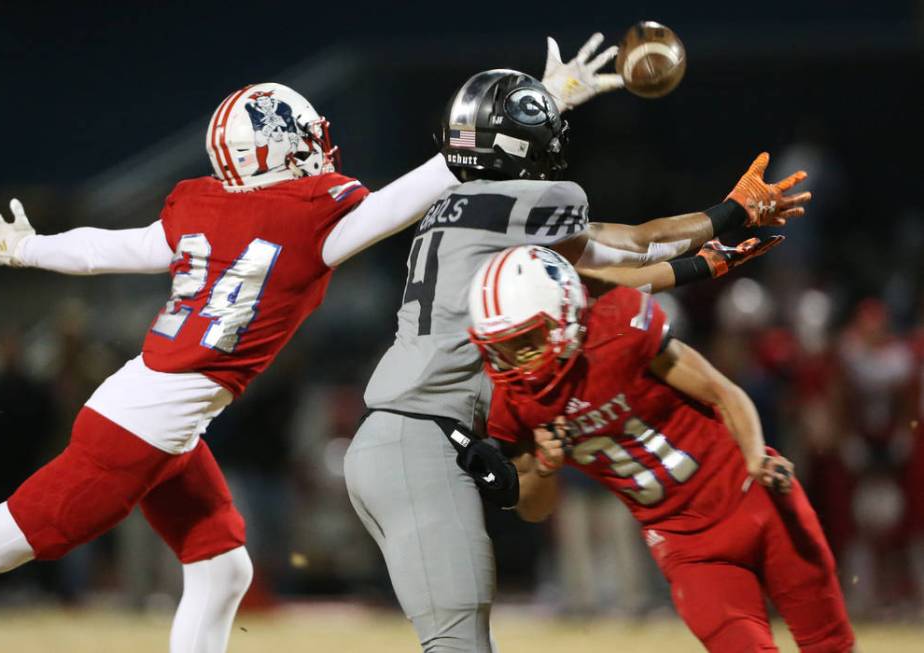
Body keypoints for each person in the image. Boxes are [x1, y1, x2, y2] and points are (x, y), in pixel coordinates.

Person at [0, 35, 608, 652]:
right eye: (305, 137)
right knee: (8, 540)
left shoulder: (205, 206)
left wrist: (31, 247)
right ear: (278, 147)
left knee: (222, 562)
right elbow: (396, 204)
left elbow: (118, 247)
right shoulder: (306, 219)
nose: (320, 145)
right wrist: (506, 128)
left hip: (153, 408)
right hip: (142, 427)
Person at [344, 64, 809, 651]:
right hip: (426, 439)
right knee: (459, 644)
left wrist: (715, 243)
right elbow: (618, 259)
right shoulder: (537, 202)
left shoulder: (465, 212)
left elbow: (599, 268)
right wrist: (723, 227)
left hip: (400, 439)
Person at [469, 245, 856, 652]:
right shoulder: (514, 402)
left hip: (754, 498)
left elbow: (723, 392)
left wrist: (757, 454)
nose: (516, 361)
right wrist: (545, 467)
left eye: (527, 340)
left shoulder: (619, 327)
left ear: (564, 313)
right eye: (503, 347)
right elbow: (535, 508)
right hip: (687, 548)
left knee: (830, 645)